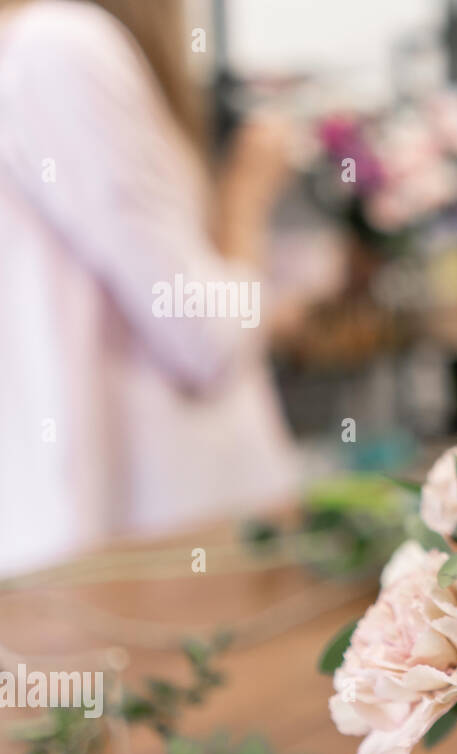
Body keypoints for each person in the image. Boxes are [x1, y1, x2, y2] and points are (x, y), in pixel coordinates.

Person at [0, 0, 299, 577]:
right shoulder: (58, 48)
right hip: (165, 543)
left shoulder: (38, 50)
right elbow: (205, 341)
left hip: (133, 543)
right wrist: (249, 193)